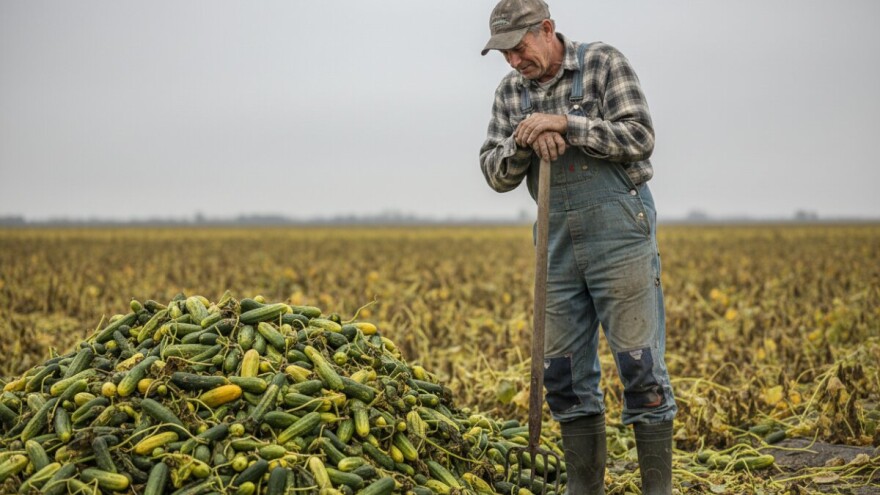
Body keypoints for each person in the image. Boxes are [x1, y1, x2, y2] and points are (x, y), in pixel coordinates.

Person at [478, 0, 677, 494]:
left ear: (546, 29)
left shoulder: (603, 64)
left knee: (640, 368)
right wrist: (524, 140)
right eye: (504, 54)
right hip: (556, 243)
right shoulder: (510, 93)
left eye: (519, 48)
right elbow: (493, 172)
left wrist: (566, 124)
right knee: (563, 374)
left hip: (619, 235)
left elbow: (639, 136)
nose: (513, 61)